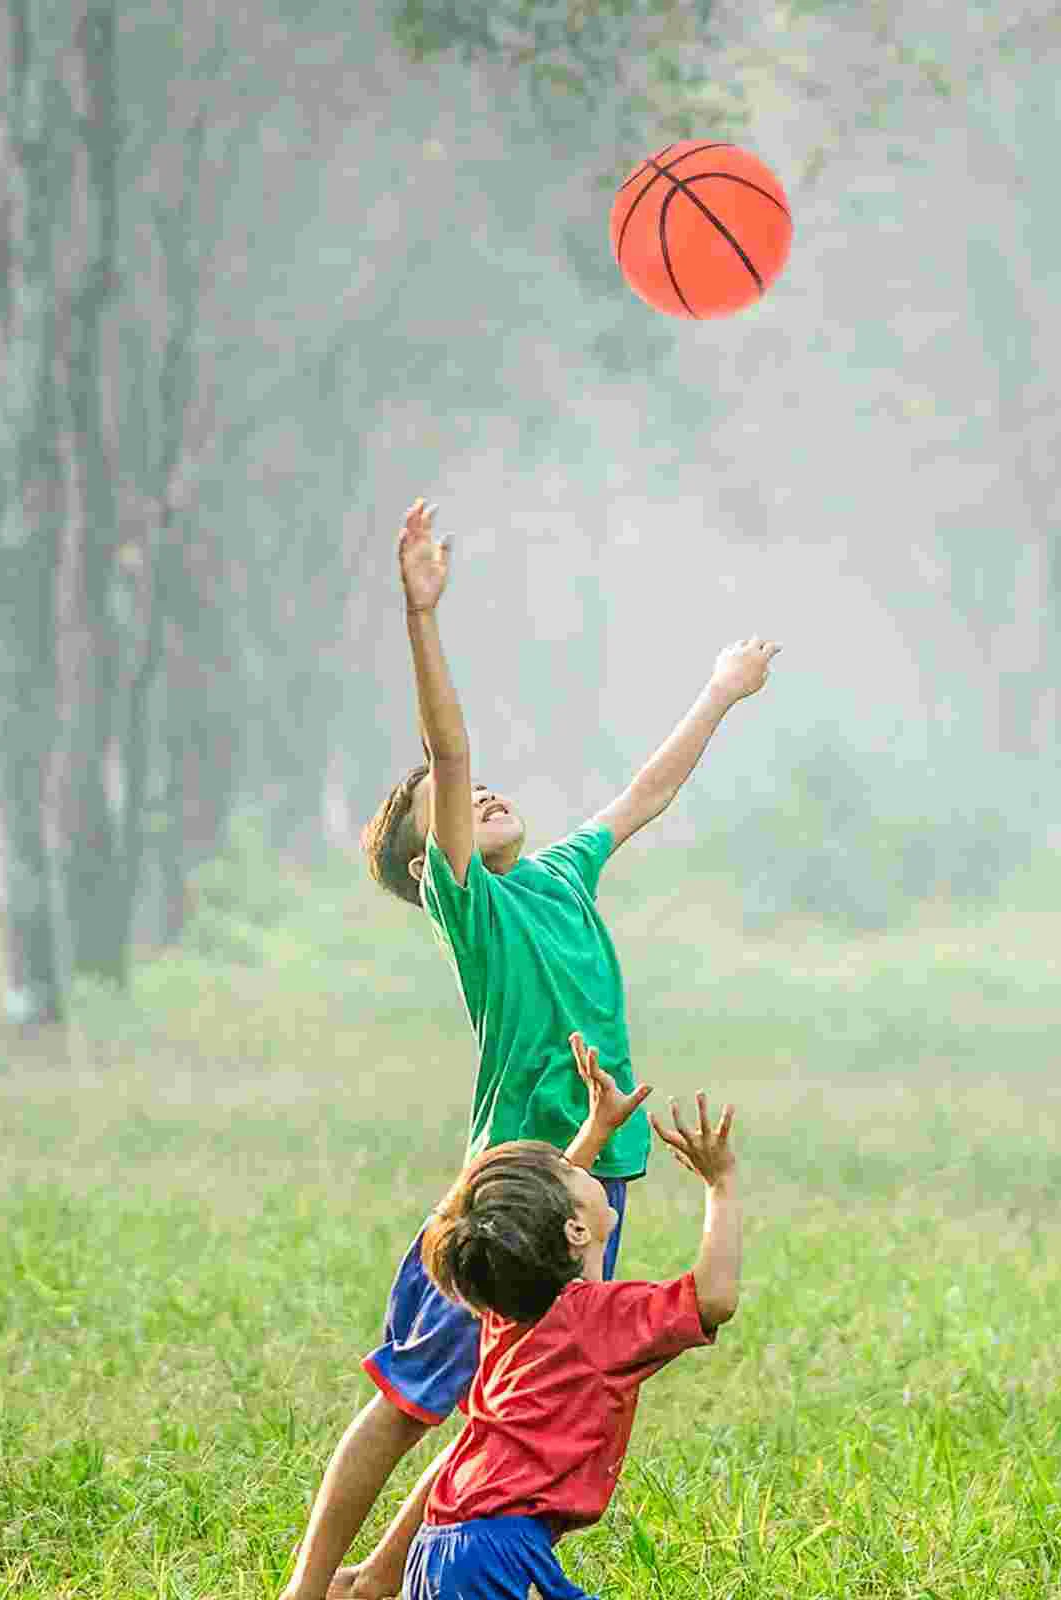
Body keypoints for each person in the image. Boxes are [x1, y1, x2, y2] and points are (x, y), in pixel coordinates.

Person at [278, 498, 780, 1600]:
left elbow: (647, 790)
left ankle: (390, 1576)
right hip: (502, 1190)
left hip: (594, 1174)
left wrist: (720, 691)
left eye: (480, 793)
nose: (479, 790)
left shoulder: (557, 876)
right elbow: (448, 746)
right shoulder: (472, 907)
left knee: (514, 1389)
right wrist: (422, 618)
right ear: (430, 860)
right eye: (443, 806)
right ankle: (313, 1586)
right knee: (413, 1394)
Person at [405, 1081, 741, 1599]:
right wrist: (720, 1184)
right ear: (576, 1232)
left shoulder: (514, 1305)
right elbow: (713, 1299)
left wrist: (597, 1128)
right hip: (496, 1547)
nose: (578, 1165)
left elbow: (537, 1219)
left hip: (443, 1544)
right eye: (571, 1170)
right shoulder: (598, 1319)